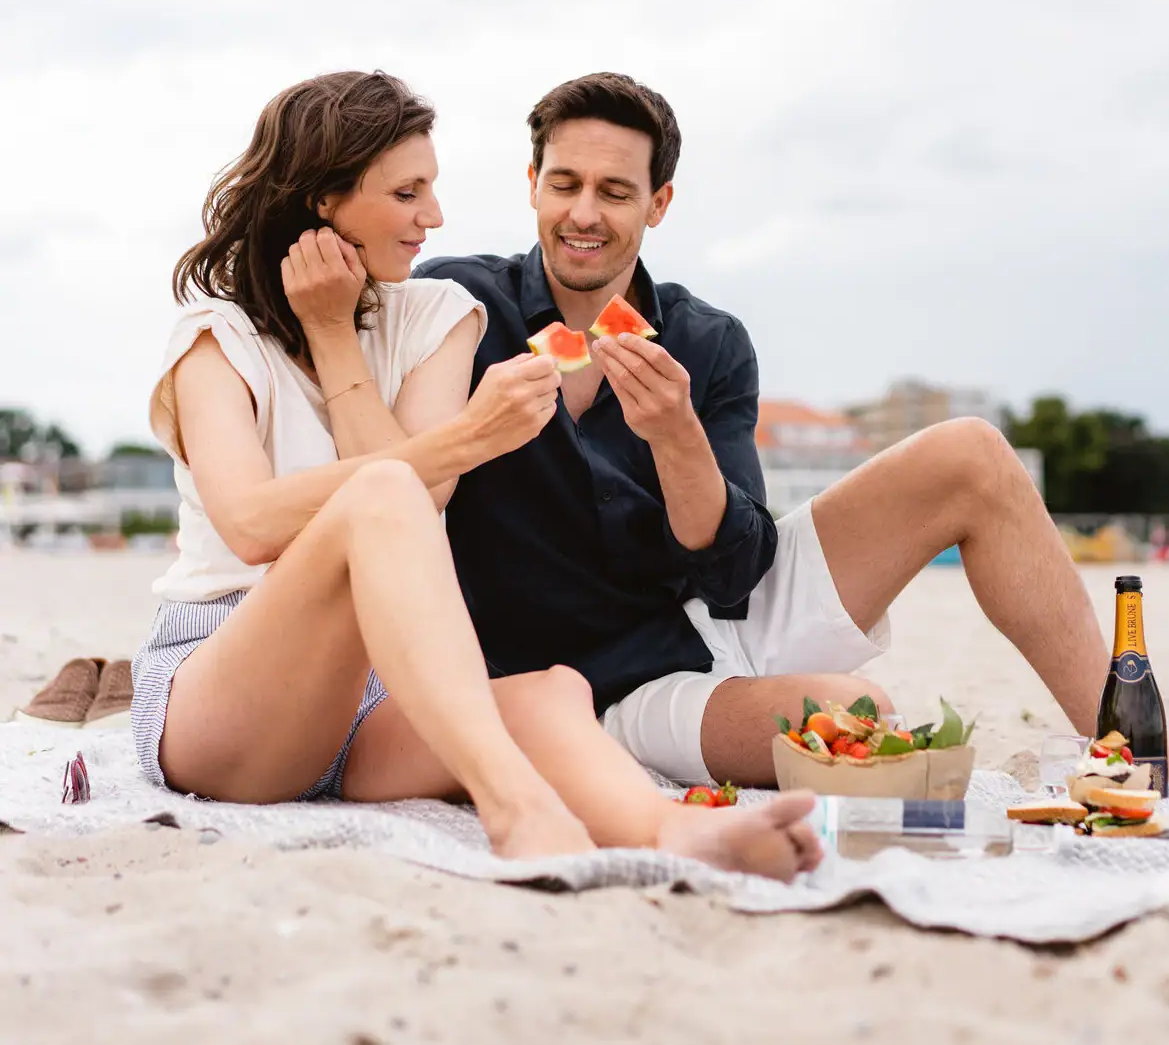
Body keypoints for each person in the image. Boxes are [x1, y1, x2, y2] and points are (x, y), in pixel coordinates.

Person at [416, 72, 1169, 789]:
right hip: (614, 685)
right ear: (530, 185)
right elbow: (391, 471)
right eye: (565, 183)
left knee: (970, 450)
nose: (583, 213)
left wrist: (675, 437)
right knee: (856, 711)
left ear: (659, 202)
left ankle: (1131, 747)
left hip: (722, 608)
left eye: (616, 192)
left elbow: (735, 569)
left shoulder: (708, 341)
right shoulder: (460, 304)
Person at [130, 69, 821, 880]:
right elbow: (250, 523)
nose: (435, 215)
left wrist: (349, 350)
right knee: (379, 490)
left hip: (367, 706)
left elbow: (417, 507)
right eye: (407, 191)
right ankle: (515, 809)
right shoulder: (217, 338)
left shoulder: (440, 313)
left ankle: (672, 833)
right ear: (326, 199)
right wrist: (469, 436)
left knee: (553, 689)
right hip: (220, 695)